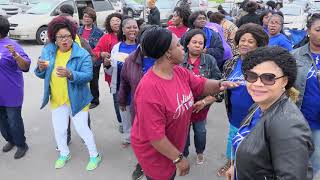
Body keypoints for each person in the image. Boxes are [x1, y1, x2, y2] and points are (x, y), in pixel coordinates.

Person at [131, 27, 238, 180]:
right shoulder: (149, 90)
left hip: (172, 146)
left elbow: (201, 84)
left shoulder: (179, 71)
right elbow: (156, 137)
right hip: (155, 154)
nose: (183, 48)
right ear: (168, 52)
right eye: (178, 45)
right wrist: (178, 159)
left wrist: (221, 83)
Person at [226, 46, 314, 180]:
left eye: (268, 78)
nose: (258, 84)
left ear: (285, 80)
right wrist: (236, 167)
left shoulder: (288, 126)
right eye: (251, 76)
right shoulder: (259, 106)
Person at [34, 16, 101, 171]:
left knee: (82, 129)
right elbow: (40, 73)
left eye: (68, 36)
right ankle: (64, 153)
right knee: (59, 130)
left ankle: (94, 155)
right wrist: (40, 69)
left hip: (77, 99)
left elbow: (88, 75)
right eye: (60, 37)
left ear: (72, 36)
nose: (65, 40)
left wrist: (71, 74)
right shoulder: (48, 51)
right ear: (54, 39)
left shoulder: (82, 53)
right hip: (58, 99)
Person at [217, 23, 269, 177]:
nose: (245, 44)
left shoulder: (265, 65)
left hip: (258, 120)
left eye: (250, 41)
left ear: (258, 45)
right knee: (233, 143)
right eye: (243, 40)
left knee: (254, 153)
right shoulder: (231, 63)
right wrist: (206, 100)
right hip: (235, 117)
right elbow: (222, 87)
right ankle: (231, 163)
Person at [119, 24, 157, 180]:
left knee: (159, 138)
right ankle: (142, 164)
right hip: (139, 109)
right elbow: (124, 83)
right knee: (142, 140)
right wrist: (121, 100)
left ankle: (161, 163)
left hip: (161, 109)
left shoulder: (166, 58)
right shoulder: (131, 60)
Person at [181, 29, 222, 164]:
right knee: (183, 132)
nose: (198, 45)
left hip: (202, 105)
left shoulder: (209, 60)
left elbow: (217, 82)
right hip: (183, 105)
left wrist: (205, 101)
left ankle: (200, 152)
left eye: (201, 43)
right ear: (187, 44)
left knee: (200, 131)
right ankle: (184, 153)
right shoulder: (180, 59)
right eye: (194, 42)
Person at [292, 13, 320, 177]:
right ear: (308, 31)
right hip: (298, 118)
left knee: (316, 160)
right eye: (318, 29)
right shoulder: (294, 56)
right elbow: (285, 86)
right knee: (295, 159)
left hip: (319, 124)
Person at [105, 18, 139, 148]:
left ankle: (139, 139)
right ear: (123, 30)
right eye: (129, 27)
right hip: (121, 87)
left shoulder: (141, 46)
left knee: (139, 115)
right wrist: (107, 65)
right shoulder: (117, 47)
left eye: (134, 27)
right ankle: (127, 138)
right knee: (124, 115)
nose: (132, 30)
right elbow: (111, 72)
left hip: (138, 88)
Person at [0, 15, 31, 159]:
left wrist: (15, 55)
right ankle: (10, 140)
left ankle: (21, 144)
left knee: (14, 121)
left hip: (12, 92)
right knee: (2, 122)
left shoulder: (13, 46)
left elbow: (26, 67)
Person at [93, 13, 123, 132]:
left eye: (118, 20)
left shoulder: (127, 35)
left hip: (130, 74)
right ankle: (121, 121)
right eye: (113, 21)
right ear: (109, 24)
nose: (116, 23)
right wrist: (102, 54)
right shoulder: (106, 38)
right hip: (113, 75)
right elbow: (95, 52)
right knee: (117, 99)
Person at [78, 7, 104, 109]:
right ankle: (83, 98)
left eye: (89, 17)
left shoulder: (99, 32)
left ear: (93, 19)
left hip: (94, 60)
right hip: (81, 60)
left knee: (93, 81)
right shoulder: (77, 30)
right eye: (85, 16)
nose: (87, 19)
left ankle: (95, 100)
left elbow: (100, 47)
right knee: (81, 80)